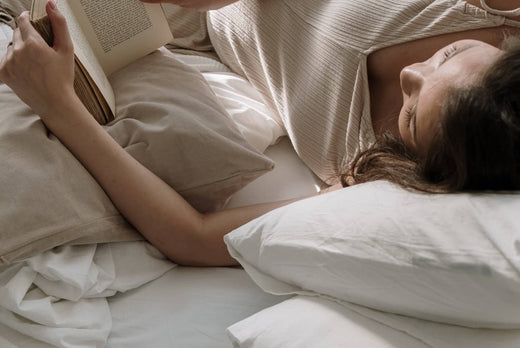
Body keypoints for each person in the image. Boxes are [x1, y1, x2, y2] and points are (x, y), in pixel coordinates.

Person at [0, 0, 519, 266]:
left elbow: (195, 238)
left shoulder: (382, 179)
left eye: (409, 114)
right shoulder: (496, 14)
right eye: (449, 55)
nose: (412, 75)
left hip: (170, 37)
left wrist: (59, 107)